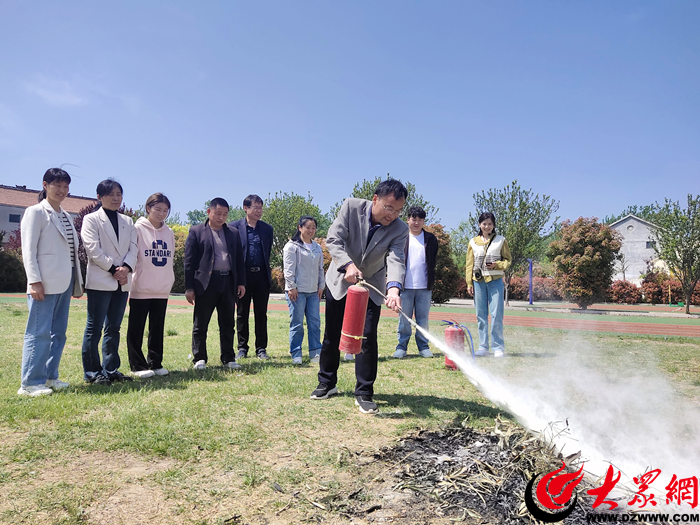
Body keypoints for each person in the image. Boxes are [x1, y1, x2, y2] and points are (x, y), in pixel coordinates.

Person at [310, 180, 409, 415]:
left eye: (398, 210)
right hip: (341, 280)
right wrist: (348, 265)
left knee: (367, 338)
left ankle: (364, 392)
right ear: (375, 199)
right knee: (332, 333)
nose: (392, 215)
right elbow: (333, 239)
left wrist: (393, 289)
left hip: (371, 285)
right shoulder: (351, 207)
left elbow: (396, 260)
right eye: (388, 207)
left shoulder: (400, 229)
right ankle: (327, 382)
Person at [18, 168, 84, 396]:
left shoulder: (66, 215)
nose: (63, 190)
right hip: (43, 283)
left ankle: (49, 376)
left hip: (64, 282)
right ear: (45, 185)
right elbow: (28, 250)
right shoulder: (35, 212)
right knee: (39, 332)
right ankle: (29, 383)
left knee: (59, 333)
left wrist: (76, 282)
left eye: (66, 186)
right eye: (58, 185)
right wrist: (34, 280)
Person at [81, 179, 138, 385]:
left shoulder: (128, 221)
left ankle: (111, 368)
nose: (116, 198)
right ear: (99, 197)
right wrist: (115, 269)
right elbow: (92, 248)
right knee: (94, 327)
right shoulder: (91, 219)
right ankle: (92, 372)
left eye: (119, 194)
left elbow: (134, 248)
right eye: (111, 194)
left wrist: (127, 268)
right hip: (101, 280)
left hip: (122, 282)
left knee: (114, 327)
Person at [184, 198, 246, 370]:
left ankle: (228, 357)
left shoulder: (233, 233)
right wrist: (189, 287)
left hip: (228, 282)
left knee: (227, 323)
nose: (221, 217)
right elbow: (188, 262)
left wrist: (241, 282)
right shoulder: (196, 231)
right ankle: (199, 358)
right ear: (209, 212)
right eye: (218, 213)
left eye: (225, 214)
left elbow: (239, 260)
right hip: (206, 283)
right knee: (201, 322)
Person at [126, 193, 175, 378]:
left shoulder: (169, 232)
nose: (161, 213)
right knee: (136, 329)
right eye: (157, 209)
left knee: (157, 328)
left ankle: (155, 362)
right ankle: (137, 365)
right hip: (141, 288)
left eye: (165, 210)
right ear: (148, 208)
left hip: (161, 289)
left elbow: (169, 260)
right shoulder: (137, 229)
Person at [230, 195, 273, 360]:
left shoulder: (267, 229)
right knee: (242, 313)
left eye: (261, 207)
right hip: (243, 276)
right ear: (245, 208)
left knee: (261, 313)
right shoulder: (233, 228)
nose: (259, 211)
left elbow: (267, 251)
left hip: (261, 275)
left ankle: (261, 348)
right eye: (255, 207)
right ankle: (242, 348)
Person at [393, 206, 439, 359]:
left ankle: (423, 347)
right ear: (408, 219)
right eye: (414, 219)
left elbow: (433, 261)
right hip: (405, 286)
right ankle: (401, 347)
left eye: (420, 219)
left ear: (424, 221)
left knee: (423, 320)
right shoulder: (401, 237)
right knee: (404, 319)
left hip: (424, 287)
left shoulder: (431, 239)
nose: (416, 222)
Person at [465, 212, 511, 357]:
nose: (487, 226)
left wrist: (497, 265)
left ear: (494, 225)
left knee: (496, 314)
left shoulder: (501, 240)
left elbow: (507, 260)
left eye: (490, 224)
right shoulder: (473, 242)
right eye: (484, 223)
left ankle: (498, 347)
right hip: (478, 282)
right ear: (480, 225)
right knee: (481, 314)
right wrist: (469, 282)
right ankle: (483, 346)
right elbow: (469, 264)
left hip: (495, 281)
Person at [283, 216, 325, 365]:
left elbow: (320, 269)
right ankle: (296, 353)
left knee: (315, 323)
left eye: (313, 228)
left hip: (313, 292)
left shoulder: (317, 247)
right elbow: (288, 269)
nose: (311, 230)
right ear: (300, 227)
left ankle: (315, 352)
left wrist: (321, 286)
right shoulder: (292, 246)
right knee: (297, 323)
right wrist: (292, 287)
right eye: (308, 227)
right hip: (297, 292)